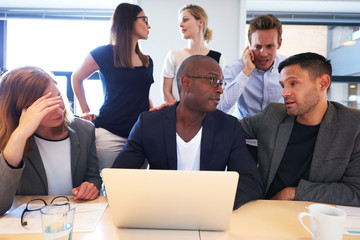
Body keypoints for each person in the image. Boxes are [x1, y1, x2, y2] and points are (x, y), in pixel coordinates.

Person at [113, 55, 263, 209]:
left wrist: (213, 203)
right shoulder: (149, 124)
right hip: (161, 213)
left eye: (221, 83)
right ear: (186, 83)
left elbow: (250, 182)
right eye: (213, 81)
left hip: (208, 214)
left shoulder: (228, 127)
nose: (219, 90)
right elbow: (119, 176)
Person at [239, 52, 360, 206]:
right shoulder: (273, 115)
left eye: (293, 83)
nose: (284, 93)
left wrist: (293, 193)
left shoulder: (353, 124)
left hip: (316, 217)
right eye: (283, 85)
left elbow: (356, 192)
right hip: (265, 212)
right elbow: (228, 128)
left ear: (323, 83)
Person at [0, 66, 102, 215]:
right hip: (29, 222)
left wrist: (91, 186)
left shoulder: (85, 130)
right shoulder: (9, 139)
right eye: (46, 104)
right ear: (20, 109)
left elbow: (93, 177)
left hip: (74, 217)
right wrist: (20, 134)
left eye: (58, 96)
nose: (59, 108)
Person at [72, 3, 153, 170]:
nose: (148, 25)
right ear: (128, 21)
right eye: (144, 19)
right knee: (111, 188)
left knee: (137, 189)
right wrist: (85, 110)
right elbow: (76, 77)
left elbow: (141, 93)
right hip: (110, 133)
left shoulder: (147, 61)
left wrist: (154, 112)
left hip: (140, 135)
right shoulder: (103, 53)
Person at [217, 14, 286, 159]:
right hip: (243, 142)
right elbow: (221, 106)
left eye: (269, 46)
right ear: (249, 45)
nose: (263, 53)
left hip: (279, 143)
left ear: (279, 44)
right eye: (258, 46)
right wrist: (246, 71)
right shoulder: (235, 69)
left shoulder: (288, 68)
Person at [161, 4, 225, 103]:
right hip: (178, 115)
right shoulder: (173, 56)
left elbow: (219, 91)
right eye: (179, 22)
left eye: (185, 19)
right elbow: (166, 92)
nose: (180, 25)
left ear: (200, 21)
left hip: (207, 116)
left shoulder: (217, 58)